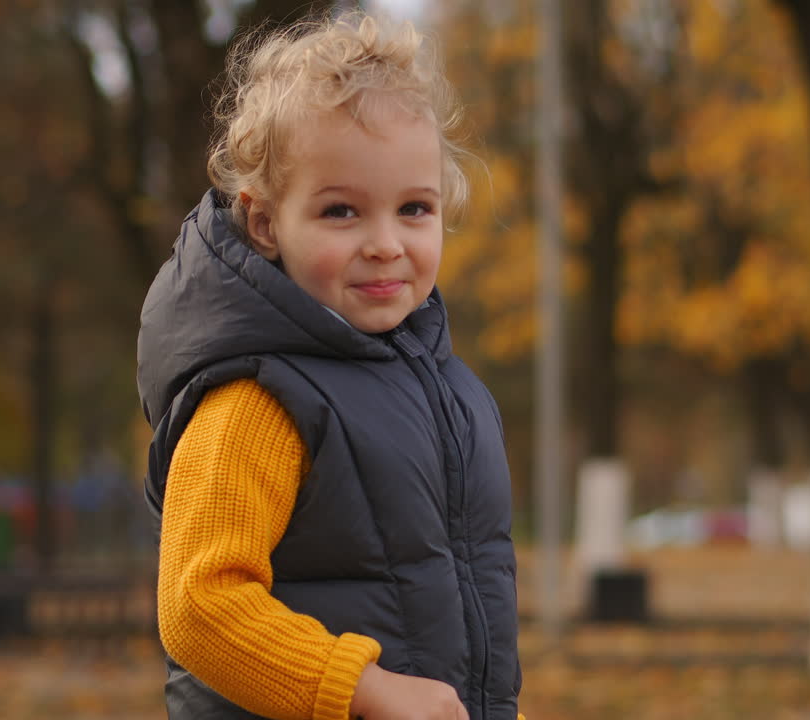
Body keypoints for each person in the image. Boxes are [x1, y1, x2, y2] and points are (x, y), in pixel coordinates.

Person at [136, 12, 521, 720]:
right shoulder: (255, 398)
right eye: (342, 212)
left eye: (414, 208)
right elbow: (197, 605)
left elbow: (460, 612)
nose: (385, 243)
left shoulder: (450, 394)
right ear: (264, 222)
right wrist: (364, 690)